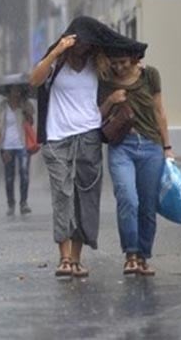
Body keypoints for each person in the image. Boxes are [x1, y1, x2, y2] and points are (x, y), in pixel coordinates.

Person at [29, 16, 147, 278]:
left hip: (89, 137)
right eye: (79, 44)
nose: (82, 49)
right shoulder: (57, 61)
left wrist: (115, 98)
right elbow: (34, 80)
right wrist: (57, 50)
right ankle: (64, 257)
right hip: (57, 137)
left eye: (88, 45)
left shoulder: (97, 64)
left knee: (86, 197)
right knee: (62, 195)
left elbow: (128, 52)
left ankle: (76, 258)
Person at [98, 51, 173, 277]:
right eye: (115, 64)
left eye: (123, 63)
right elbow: (95, 116)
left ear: (134, 60)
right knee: (127, 198)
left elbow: (160, 111)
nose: (119, 68)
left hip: (151, 146)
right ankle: (130, 254)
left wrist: (167, 147)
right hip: (122, 146)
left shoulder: (150, 76)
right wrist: (111, 100)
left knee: (148, 206)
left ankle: (143, 256)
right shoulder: (105, 80)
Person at [0, 85, 34, 216]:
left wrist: (26, 111)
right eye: (14, 90)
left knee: (24, 175)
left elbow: (31, 122)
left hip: (22, 145)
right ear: (8, 91)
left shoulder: (25, 104)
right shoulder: (2, 106)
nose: (17, 92)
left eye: (19, 90)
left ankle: (23, 203)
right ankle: (11, 204)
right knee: (9, 177)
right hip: (7, 146)